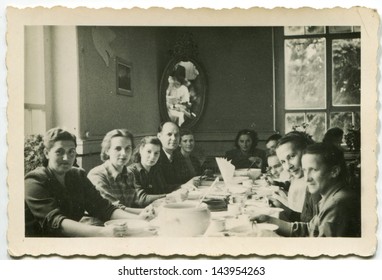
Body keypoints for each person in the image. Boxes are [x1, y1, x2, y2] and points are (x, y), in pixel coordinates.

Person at [24, 127, 154, 238]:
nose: (66, 158)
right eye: (59, 152)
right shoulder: (34, 180)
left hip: (70, 240)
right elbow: (55, 222)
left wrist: (139, 219)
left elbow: (103, 207)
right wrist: (103, 232)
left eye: (71, 152)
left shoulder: (77, 175)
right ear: (47, 153)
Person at [250, 143, 361, 237]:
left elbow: (321, 251)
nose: (307, 178)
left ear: (334, 171)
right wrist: (269, 220)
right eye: (305, 170)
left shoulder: (337, 204)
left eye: (313, 170)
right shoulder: (329, 197)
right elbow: (310, 230)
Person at [87, 129, 157, 212]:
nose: (124, 153)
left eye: (128, 148)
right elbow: (113, 209)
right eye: (118, 148)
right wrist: (151, 212)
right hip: (99, 224)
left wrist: (159, 204)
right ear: (107, 151)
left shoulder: (129, 174)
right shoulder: (97, 175)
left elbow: (136, 202)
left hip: (125, 221)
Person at [271, 131, 319, 222]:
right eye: (283, 162)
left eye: (292, 156)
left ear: (307, 151)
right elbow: (304, 218)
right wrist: (284, 208)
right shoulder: (298, 178)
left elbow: (309, 227)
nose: (288, 166)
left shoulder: (313, 185)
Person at [128, 136, 188, 205]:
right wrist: (170, 196)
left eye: (156, 153)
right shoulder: (131, 172)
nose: (152, 156)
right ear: (141, 150)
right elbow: (142, 199)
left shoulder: (156, 170)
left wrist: (183, 186)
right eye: (149, 152)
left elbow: (164, 188)